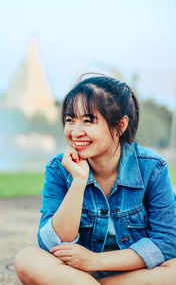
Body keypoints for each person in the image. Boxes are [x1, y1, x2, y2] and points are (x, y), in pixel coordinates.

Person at [15, 74, 176, 285]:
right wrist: (79, 181)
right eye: (70, 120)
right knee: (27, 258)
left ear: (120, 125)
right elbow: (52, 244)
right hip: (76, 276)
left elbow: (166, 243)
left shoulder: (152, 168)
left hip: (133, 273)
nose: (75, 131)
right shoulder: (58, 168)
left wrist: (94, 260)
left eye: (88, 121)